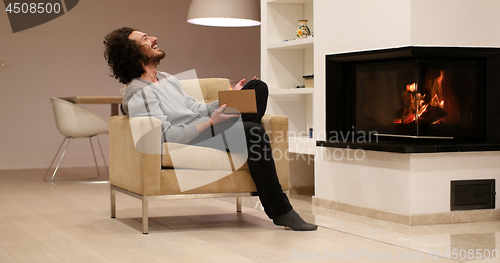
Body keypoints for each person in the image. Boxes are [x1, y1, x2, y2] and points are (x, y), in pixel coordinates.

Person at [103, 27, 317, 231]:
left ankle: (242, 134)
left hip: (207, 127)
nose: (154, 39)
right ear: (132, 52)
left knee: (257, 89)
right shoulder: (138, 91)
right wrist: (211, 123)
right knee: (253, 131)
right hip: (187, 138)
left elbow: (196, 108)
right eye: (146, 39)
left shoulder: (166, 78)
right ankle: (281, 211)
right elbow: (163, 135)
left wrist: (233, 96)